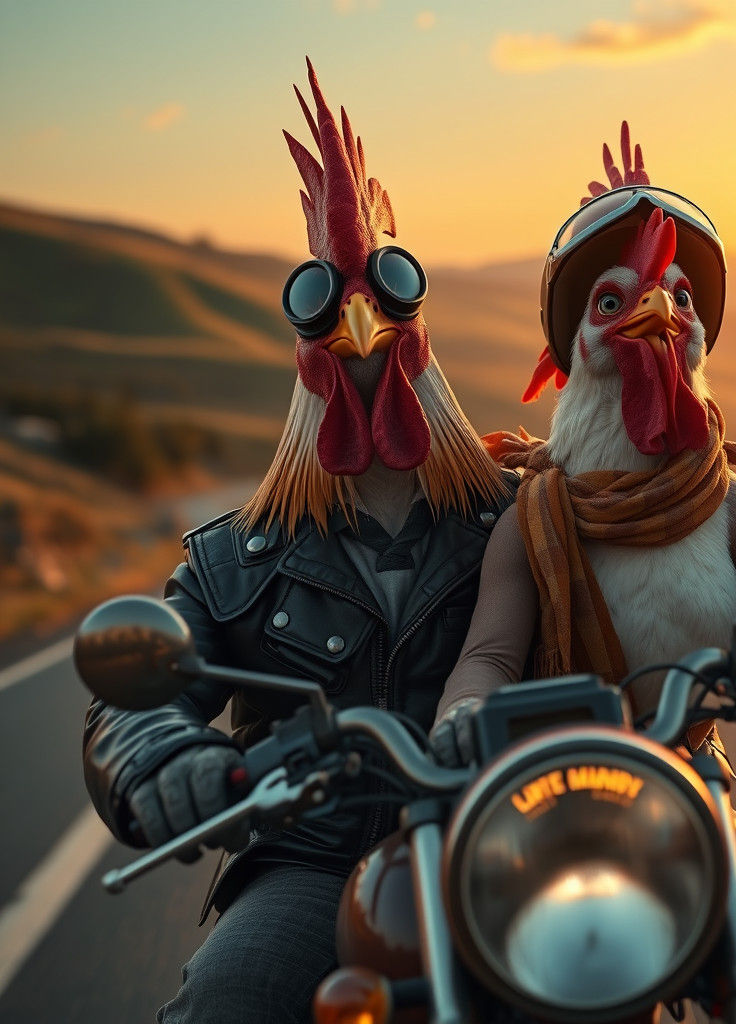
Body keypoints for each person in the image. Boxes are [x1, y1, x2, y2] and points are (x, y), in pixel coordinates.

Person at [429, 124, 736, 1024]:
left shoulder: (723, 501)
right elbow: (489, 653)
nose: (659, 310)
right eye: (613, 301)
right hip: (547, 793)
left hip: (685, 778)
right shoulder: (535, 516)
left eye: (680, 296)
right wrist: (462, 718)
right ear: (575, 346)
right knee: (468, 962)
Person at [82, 61, 513, 1024]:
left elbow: (658, 578)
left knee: (710, 937)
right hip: (319, 862)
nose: (360, 321)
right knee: (230, 998)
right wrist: (164, 758)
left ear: (420, 332)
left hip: (513, 844)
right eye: (333, 303)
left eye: (383, 298)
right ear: (304, 351)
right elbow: (138, 692)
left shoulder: (528, 519)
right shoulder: (231, 560)